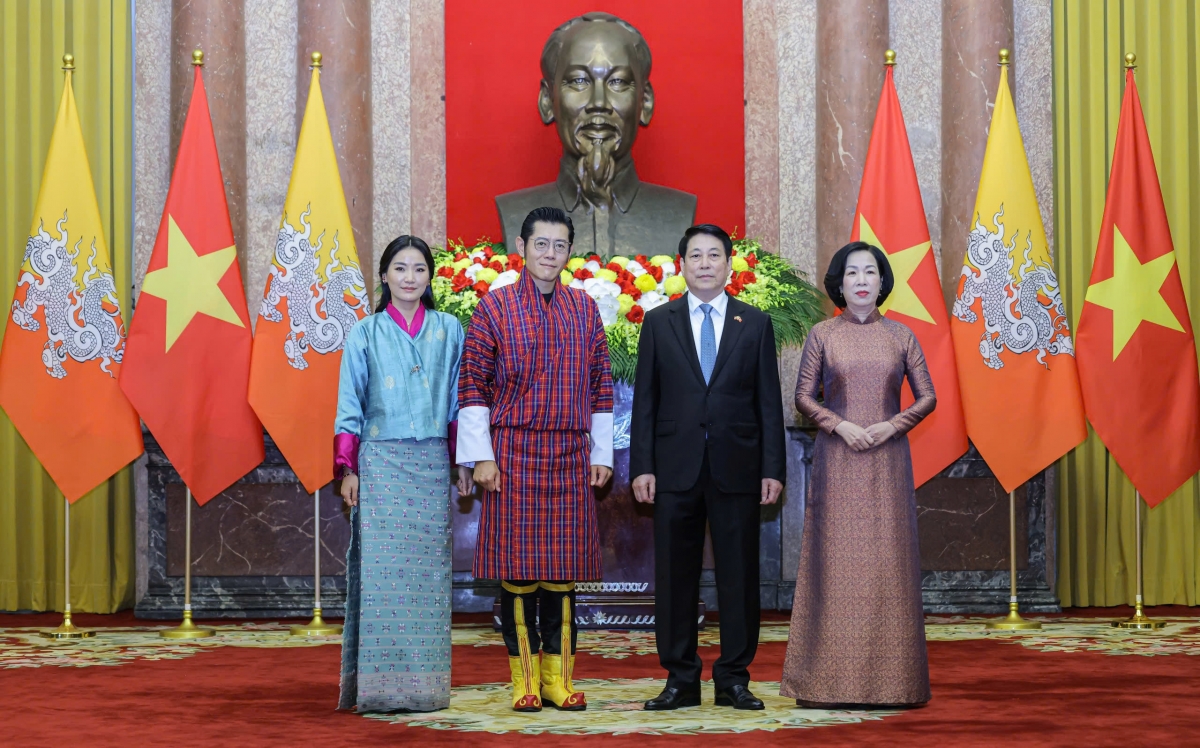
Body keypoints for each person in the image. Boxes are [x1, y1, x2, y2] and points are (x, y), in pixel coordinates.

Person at [456, 206, 615, 712]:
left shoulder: (584, 309)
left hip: (569, 454)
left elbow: (601, 387)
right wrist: (481, 457)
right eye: (540, 244)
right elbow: (472, 385)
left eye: (560, 245)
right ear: (521, 248)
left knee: (563, 575)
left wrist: (602, 452)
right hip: (512, 454)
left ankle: (558, 681)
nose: (550, 254)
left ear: (570, 252)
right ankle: (524, 681)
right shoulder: (493, 308)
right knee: (519, 575)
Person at [630, 223, 786, 712]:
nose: (703, 263)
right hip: (674, 469)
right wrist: (642, 466)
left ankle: (734, 678)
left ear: (728, 264)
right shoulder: (658, 322)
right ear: (681, 265)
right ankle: (680, 678)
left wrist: (773, 468)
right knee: (675, 577)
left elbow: (769, 403)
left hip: (737, 467)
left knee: (738, 576)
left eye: (713, 255)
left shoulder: (754, 323)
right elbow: (646, 404)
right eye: (694, 255)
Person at [781, 241, 936, 708]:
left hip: (888, 461)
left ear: (883, 282)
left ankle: (896, 685)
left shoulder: (902, 336)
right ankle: (825, 684)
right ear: (840, 283)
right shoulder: (823, 334)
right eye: (853, 273)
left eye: (871, 272)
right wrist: (839, 424)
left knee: (888, 563)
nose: (863, 280)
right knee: (834, 564)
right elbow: (803, 397)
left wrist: (893, 424)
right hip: (839, 459)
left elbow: (927, 396)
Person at [334, 235, 472, 713]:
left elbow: (459, 401)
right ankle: (379, 689)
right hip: (382, 464)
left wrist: (461, 461)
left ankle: (426, 687)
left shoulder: (450, 329)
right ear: (385, 276)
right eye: (400, 268)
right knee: (383, 578)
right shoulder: (365, 333)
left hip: (431, 464)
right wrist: (347, 467)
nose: (410, 277)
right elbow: (349, 404)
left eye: (419, 269)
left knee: (427, 579)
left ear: (430, 277)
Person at [495, 12, 695, 259]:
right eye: (579, 81)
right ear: (547, 101)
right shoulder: (515, 211)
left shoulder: (679, 212)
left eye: (618, 82)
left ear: (644, 102)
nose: (599, 103)